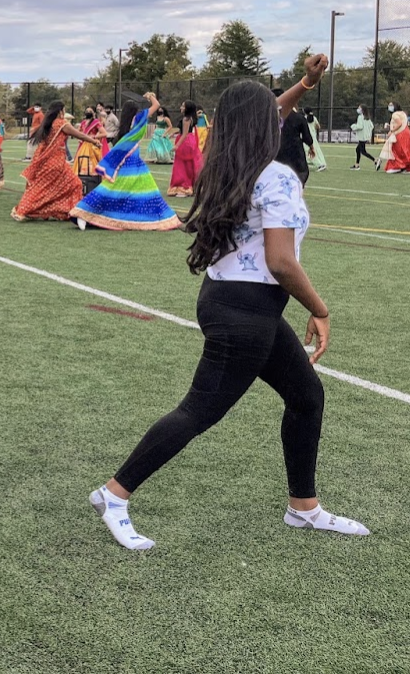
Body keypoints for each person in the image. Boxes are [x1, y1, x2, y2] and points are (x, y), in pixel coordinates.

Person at [89, 58, 369, 551]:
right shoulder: (276, 176)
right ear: (264, 125)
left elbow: (256, 117)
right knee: (198, 411)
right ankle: (114, 495)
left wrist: (302, 86)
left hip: (227, 300)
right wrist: (320, 309)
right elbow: (281, 261)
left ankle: (303, 508)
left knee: (306, 396)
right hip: (247, 312)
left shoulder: (225, 161)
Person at [71, 94, 181, 231]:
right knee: (142, 190)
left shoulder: (124, 127)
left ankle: (86, 213)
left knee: (114, 189)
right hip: (133, 162)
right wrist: (150, 96)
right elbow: (156, 105)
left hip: (126, 163)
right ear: (136, 111)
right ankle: (85, 213)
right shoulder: (139, 119)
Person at [13, 101, 102, 221]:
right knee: (69, 185)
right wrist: (94, 141)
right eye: (64, 110)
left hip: (48, 162)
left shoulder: (48, 123)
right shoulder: (62, 124)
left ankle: (65, 211)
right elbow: (79, 135)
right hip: (56, 162)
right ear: (60, 111)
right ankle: (23, 210)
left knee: (47, 188)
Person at [273, 90, 313, 187]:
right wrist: (311, 147)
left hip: (276, 155)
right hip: (295, 155)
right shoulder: (298, 117)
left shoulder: (269, 118)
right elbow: (307, 136)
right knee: (297, 182)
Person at [167, 100, 204, 197]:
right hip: (191, 140)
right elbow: (184, 130)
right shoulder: (191, 118)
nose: (181, 107)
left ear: (187, 108)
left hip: (185, 142)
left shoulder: (186, 119)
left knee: (182, 165)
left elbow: (184, 134)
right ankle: (191, 185)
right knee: (190, 164)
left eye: (183, 106)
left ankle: (184, 186)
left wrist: (177, 145)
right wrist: (174, 134)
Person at [72, 107, 106, 176]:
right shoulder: (83, 122)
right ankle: (82, 174)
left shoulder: (96, 122)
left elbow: (104, 133)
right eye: (87, 110)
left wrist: (93, 137)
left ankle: (93, 175)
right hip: (83, 144)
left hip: (92, 145)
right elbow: (80, 131)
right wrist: (80, 138)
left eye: (90, 111)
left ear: (94, 113)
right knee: (81, 159)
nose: (88, 112)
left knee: (91, 160)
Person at [350, 105, 375, 169]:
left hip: (362, 137)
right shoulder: (367, 118)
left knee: (363, 151)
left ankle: (375, 160)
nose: (358, 109)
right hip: (365, 137)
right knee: (357, 149)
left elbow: (360, 126)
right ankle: (357, 165)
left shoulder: (360, 117)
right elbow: (372, 126)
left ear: (362, 110)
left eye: (359, 108)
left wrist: (353, 126)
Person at [303, 108, 327, 172]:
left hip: (307, 137)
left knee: (309, 152)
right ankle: (322, 163)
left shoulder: (303, 118)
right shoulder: (314, 118)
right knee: (317, 151)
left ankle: (319, 164)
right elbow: (318, 127)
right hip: (313, 137)